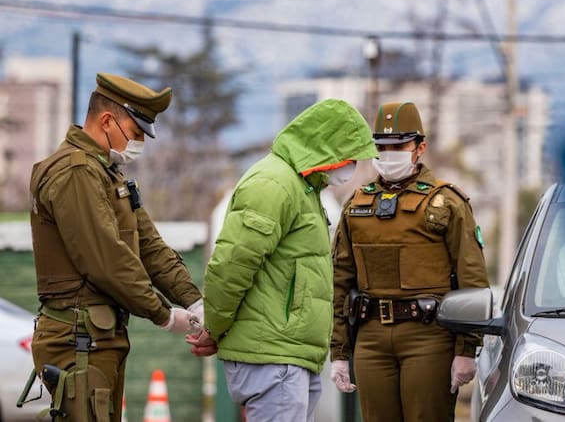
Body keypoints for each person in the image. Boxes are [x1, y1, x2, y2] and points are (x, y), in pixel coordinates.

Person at [188, 98, 378, 422]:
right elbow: (231, 266)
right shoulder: (274, 184)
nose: (353, 166)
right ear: (326, 148)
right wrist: (215, 328)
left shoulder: (305, 189)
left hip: (290, 356)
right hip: (274, 359)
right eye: (349, 156)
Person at [29, 73, 204, 422]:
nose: (139, 143)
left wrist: (195, 301)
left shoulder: (107, 174)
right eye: (136, 133)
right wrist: (164, 314)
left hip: (98, 337)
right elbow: (106, 259)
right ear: (107, 121)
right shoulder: (75, 172)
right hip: (78, 338)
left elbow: (151, 248)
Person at [329, 101, 490, 422]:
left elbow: (472, 280)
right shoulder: (357, 203)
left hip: (428, 337)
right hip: (371, 337)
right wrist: (339, 352)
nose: (388, 154)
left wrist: (466, 350)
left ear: (420, 147)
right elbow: (340, 281)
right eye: (381, 146)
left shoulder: (447, 202)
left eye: (398, 145)